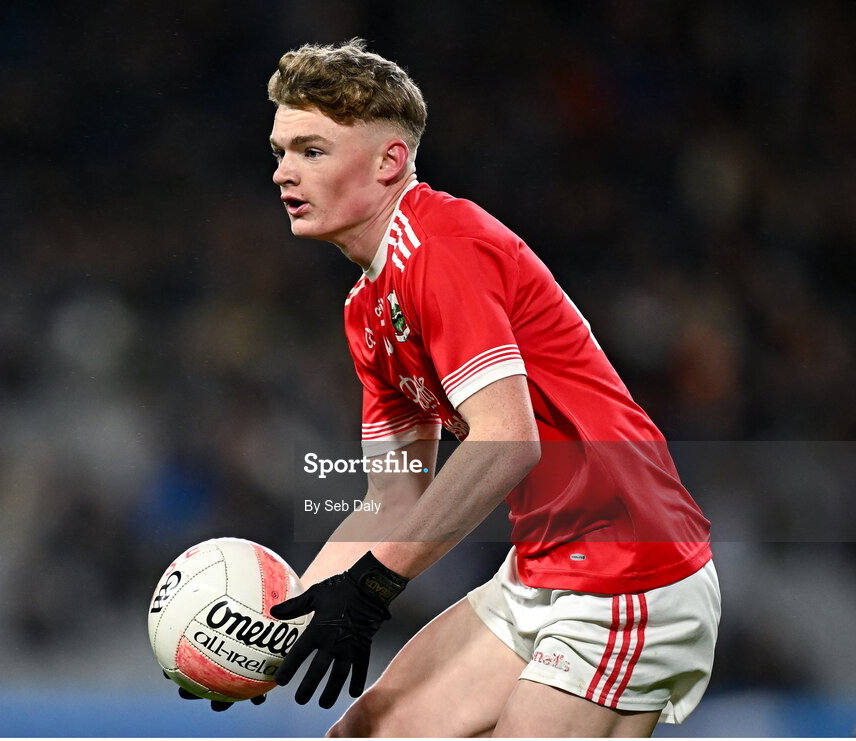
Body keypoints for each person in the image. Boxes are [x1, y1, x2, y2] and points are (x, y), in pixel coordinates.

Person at [192, 39, 720, 737]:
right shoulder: (367, 308)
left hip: (631, 568)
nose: (283, 172)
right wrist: (275, 630)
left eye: (311, 151)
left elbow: (507, 442)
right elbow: (394, 497)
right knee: (365, 734)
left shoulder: (443, 247)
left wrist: (374, 585)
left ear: (389, 161)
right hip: (543, 571)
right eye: (280, 151)